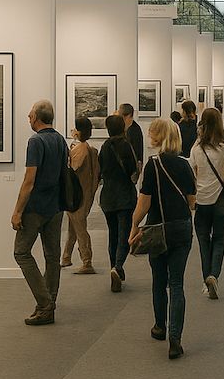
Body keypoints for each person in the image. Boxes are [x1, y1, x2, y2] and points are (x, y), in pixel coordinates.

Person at [129, 118, 197, 360]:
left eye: (152, 132)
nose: (148, 134)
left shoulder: (153, 165)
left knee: (159, 280)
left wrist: (134, 225)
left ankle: (160, 326)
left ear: (159, 136)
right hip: (181, 228)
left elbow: (144, 203)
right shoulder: (185, 165)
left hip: (158, 229)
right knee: (177, 282)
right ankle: (175, 338)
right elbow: (191, 201)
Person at [10, 100, 68, 326]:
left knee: (21, 252)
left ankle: (45, 304)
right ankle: (49, 301)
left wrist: (17, 212)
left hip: (36, 208)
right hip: (55, 207)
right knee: (52, 256)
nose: (28, 116)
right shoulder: (60, 140)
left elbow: (29, 181)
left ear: (37, 117)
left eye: (30, 113)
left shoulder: (36, 141)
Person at [189, 107, 224, 299]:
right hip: (220, 200)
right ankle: (214, 275)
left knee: (203, 241)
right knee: (219, 239)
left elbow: (192, 171)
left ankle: (206, 279)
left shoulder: (196, 149)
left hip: (202, 199)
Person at [98, 114, 139, 294]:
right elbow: (132, 170)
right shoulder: (126, 145)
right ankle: (118, 266)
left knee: (113, 234)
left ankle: (113, 267)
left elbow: (101, 170)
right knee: (124, 234)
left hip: (108, 197)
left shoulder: (105, 147)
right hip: (124, 196)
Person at [60, 117, 101, 274]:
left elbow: (71, 168)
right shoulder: (89, 149)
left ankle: (87, 261)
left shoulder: (80, 150)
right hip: (86, 193)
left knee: (79, 227)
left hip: (77, 195)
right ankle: (66, 257)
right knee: (73, 226)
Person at [117, 103, 144, 182]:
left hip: (131, 170)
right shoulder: (123, 128)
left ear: (127, 116)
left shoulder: (135, 130)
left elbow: (137, 152)